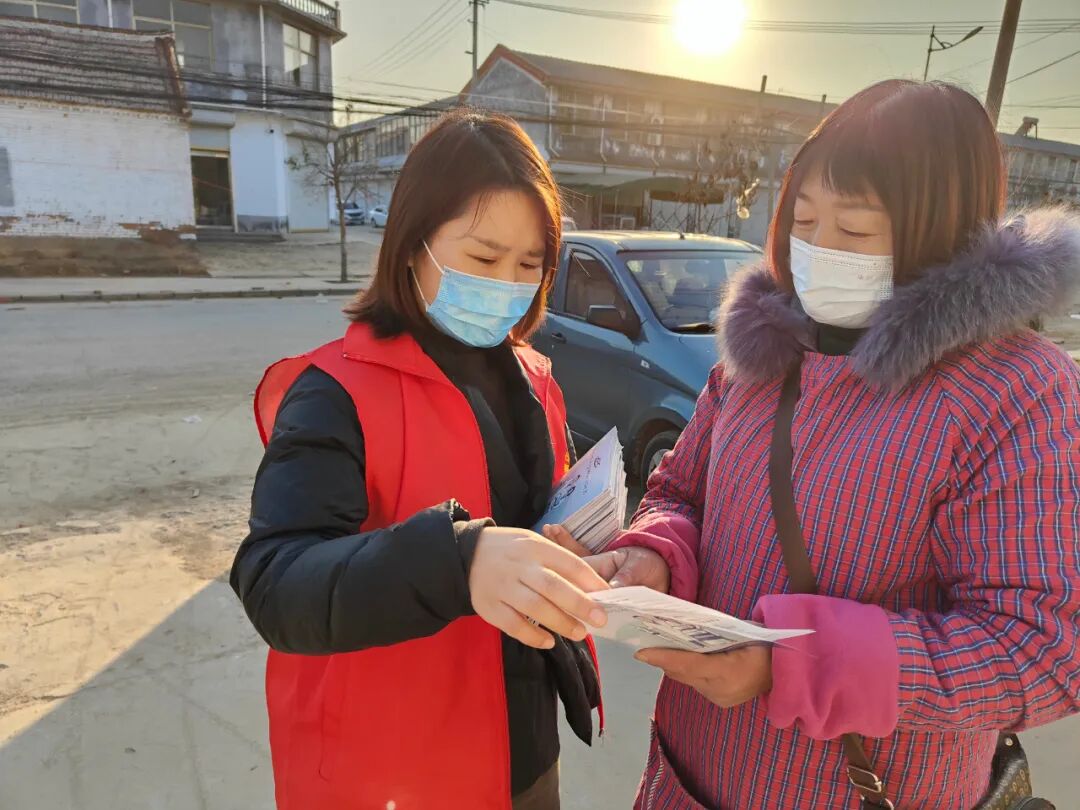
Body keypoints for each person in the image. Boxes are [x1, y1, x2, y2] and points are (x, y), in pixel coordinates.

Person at [562, 80, 1080, 809]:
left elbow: (1041, 647)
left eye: (856, 230)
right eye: (803, 221)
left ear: (942, 231)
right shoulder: (761, 352)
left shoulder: (1015, 391)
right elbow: (679, 491)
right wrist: (655, 552)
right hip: (684, 775)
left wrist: (794, 662)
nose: (819, 251)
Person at [230, 110, 611, 810]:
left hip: (524, 744)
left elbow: (536, 518)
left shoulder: (533, 378)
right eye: (484, 259)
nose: (508, 282)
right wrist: (457, 561)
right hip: (395, 771)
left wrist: (570, 543)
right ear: (413, 246)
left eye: (530, 265)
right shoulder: (335, 392)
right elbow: (274, 581)